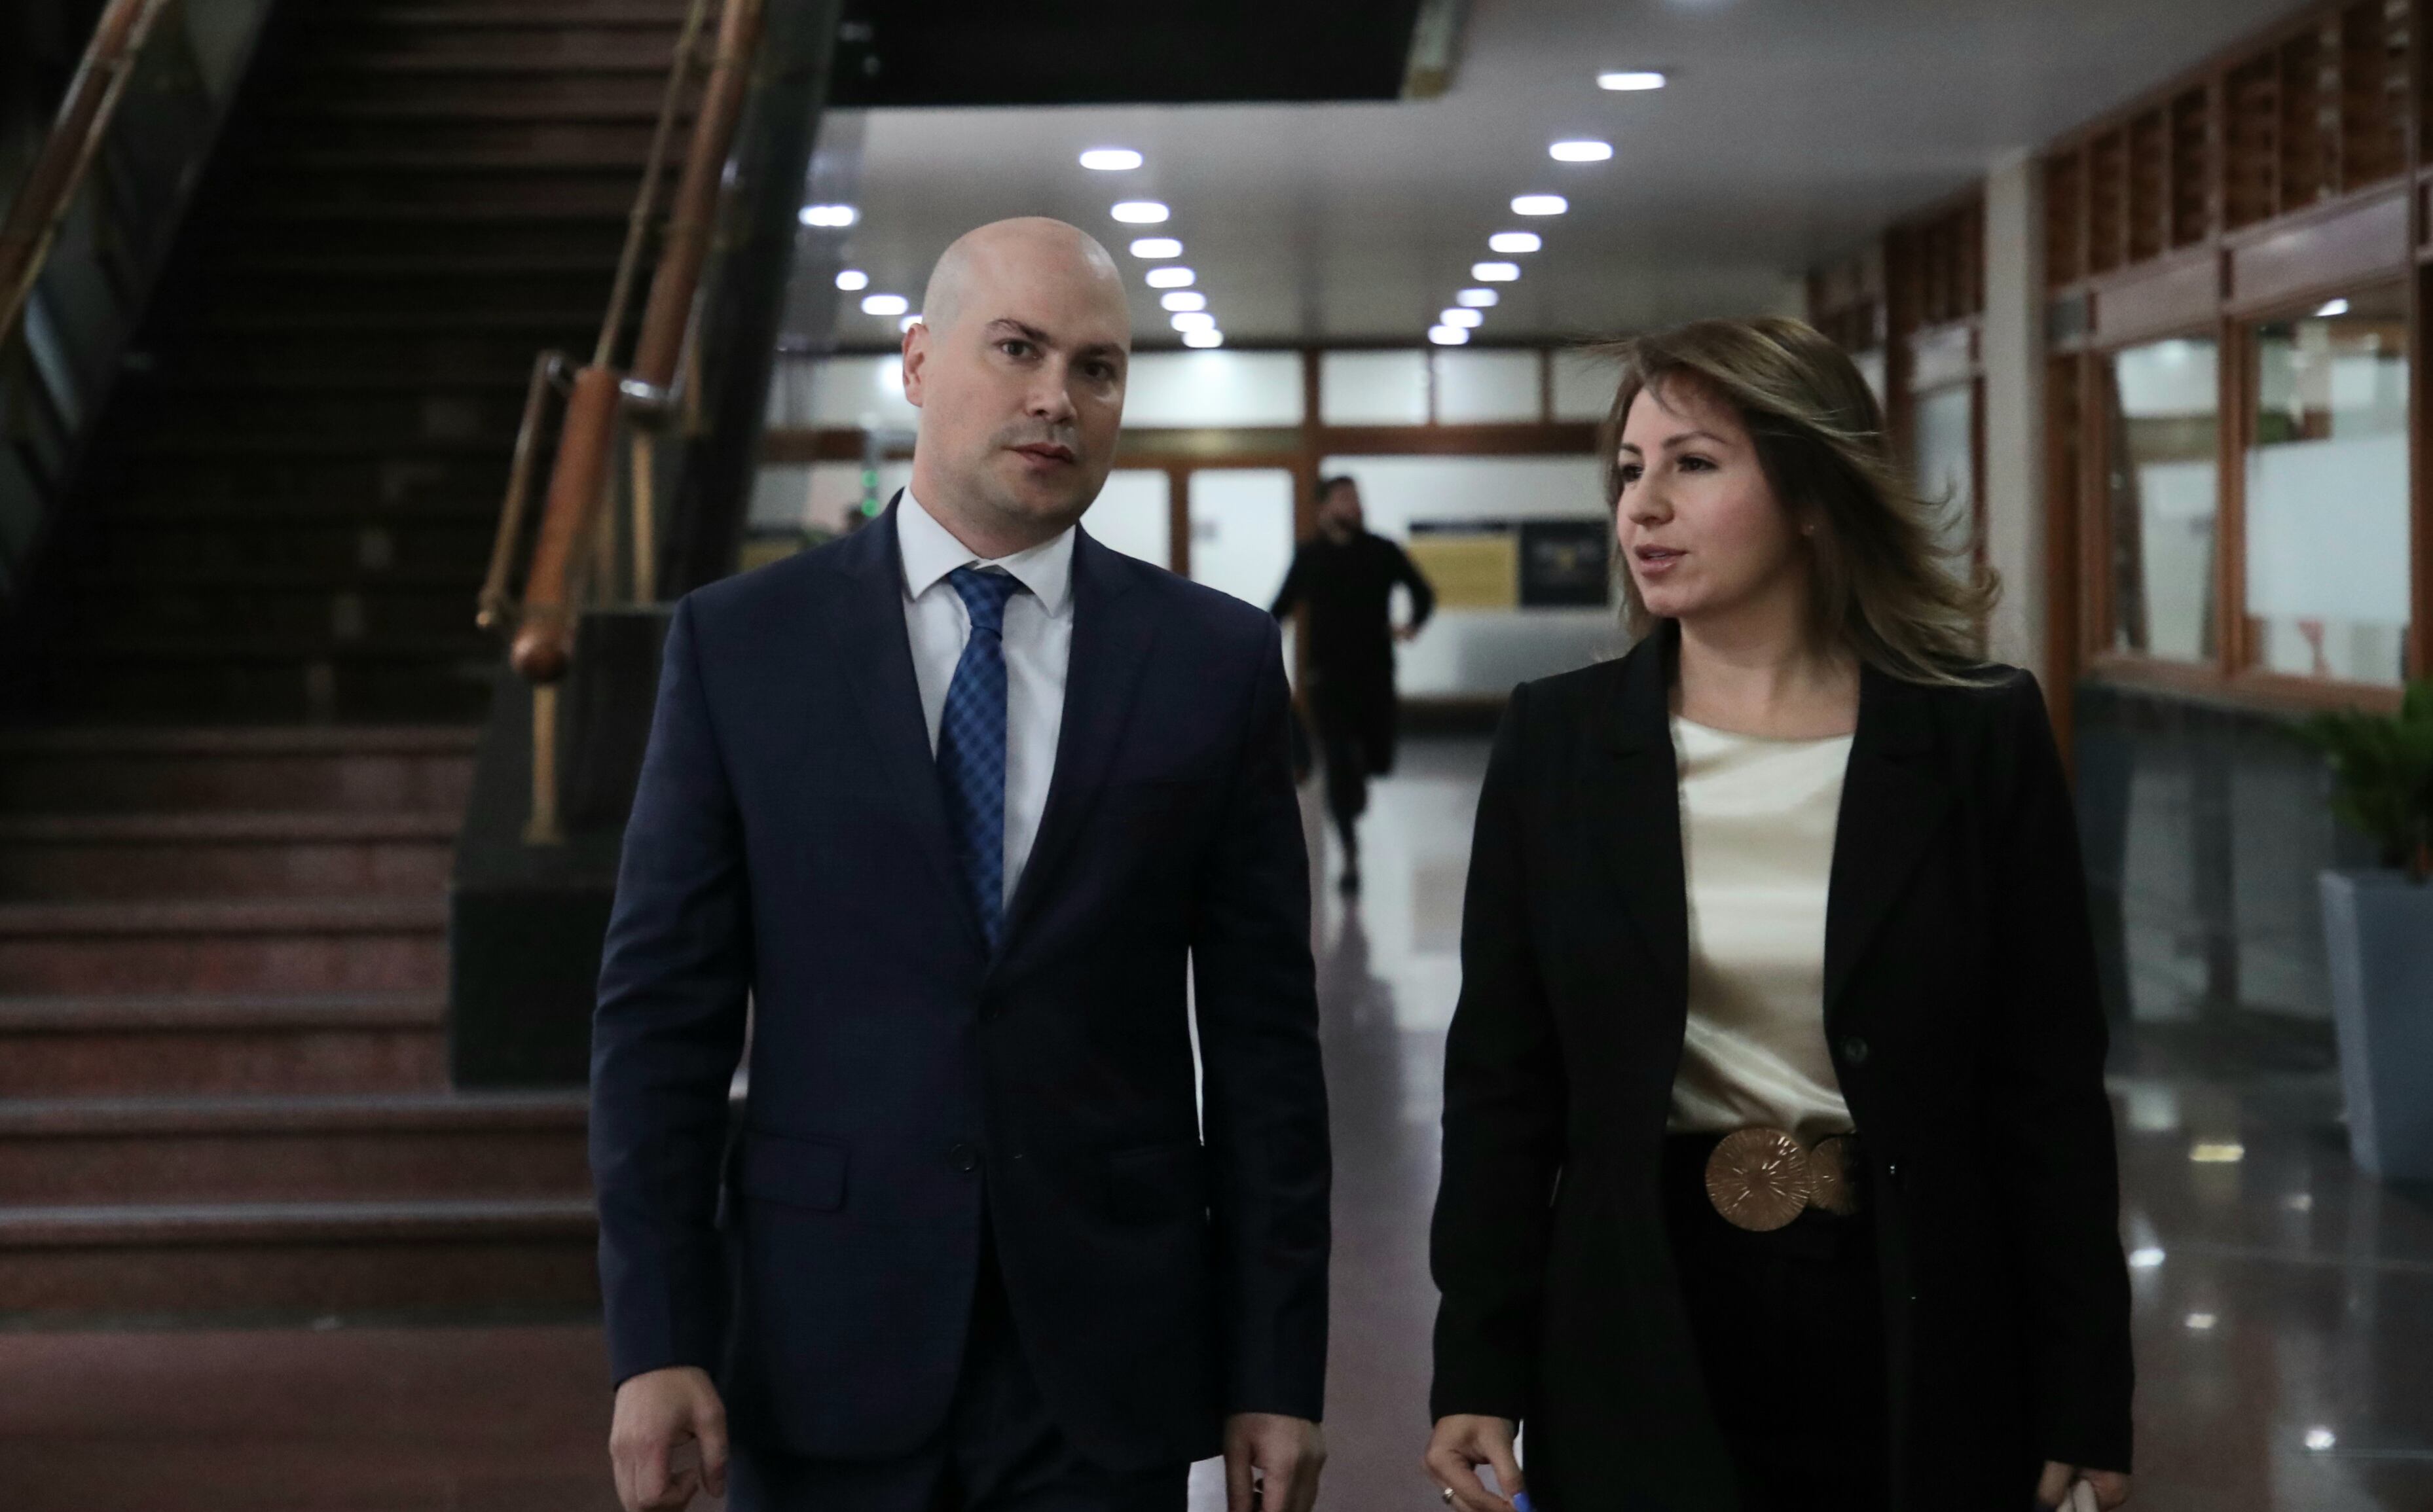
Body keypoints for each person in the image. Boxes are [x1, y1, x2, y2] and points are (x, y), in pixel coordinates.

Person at [591, 218, 1332, 1512]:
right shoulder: (742, 648)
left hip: (1109, 1354)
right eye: (1018, 348)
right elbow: (662, 1015)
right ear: (921, 363)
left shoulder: (1210, 664)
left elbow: (1267, 1045)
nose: (1057, 396)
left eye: (1098, 368)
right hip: (824, 1339)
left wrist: (1277, 1364)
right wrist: (656, 1338)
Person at [1423, 317, 2134, 1512]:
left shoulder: (1973, 736)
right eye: (1630, 471)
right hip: (1643, 1308)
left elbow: (2047, 1088)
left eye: (1694, 465)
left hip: (1915, 1309)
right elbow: (1502, 1085)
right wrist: (1476, 1365)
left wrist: (2085, 1390)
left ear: (1811, 492)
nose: (1643, 507)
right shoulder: (1558, 743)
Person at [1270, 477, 1435, 895]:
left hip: (1376, 676)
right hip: (1326, 681)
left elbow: (1423, 592)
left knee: (1377, 761)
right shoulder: (1310, 557)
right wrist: (1258, 646)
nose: (1354, 506)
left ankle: (1354, 790)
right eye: (1345, 499)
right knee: (1340, 763)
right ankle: (1349, 852)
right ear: (1325, 507)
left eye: (1358, 498)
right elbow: (1281, 607)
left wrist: (1412, 625)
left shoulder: (1382, 551)